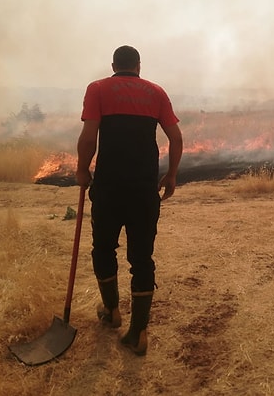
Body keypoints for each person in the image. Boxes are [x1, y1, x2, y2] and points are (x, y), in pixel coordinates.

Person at [76, 45, 183, 355]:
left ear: (113, 65)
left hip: (109, 188)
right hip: (143, 190)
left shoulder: (97, 89)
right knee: (142, 259)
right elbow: (175, 138)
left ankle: (111, 311)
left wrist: (83, 170)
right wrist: (172, 175)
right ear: (138, 65)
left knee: (104, 248)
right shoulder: (156, 92)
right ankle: (138, 332)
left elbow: (88, 137)